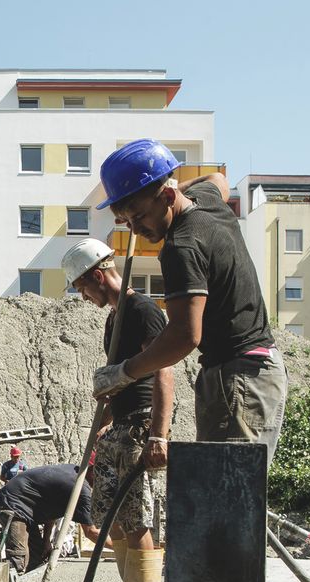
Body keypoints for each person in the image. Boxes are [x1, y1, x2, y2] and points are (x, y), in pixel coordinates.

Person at [91, 139, 287, 468]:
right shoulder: (207, 202)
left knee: (226, 499)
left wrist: (124, 372)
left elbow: (184, 336)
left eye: (139, 216)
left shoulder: (181, 247)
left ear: (167, 197)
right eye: (127, 221)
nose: (136, 228)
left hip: (238, 377)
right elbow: (217, 179)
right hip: (246, 372)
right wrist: (161, 191)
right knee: (225, 499)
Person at [64, 238, 173, 582]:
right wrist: (108, 414)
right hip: (121, 425)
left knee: (137, 514)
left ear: (97, 275)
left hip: (141, 425)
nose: (82, 297)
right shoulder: (115, 318)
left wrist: (159, 434)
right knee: (115, 516)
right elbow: (124, 376)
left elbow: (164, 369)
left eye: (82, 288)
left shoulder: (142, 309)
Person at [0, 463, 100, 576]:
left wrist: (46, 540)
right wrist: (118, 547)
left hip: (27, 508)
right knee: (18, 560)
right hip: (13, 504)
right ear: (94, 473)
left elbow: (52, 511)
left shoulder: (74, 474)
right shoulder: (80, 487)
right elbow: (91, 532)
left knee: (38, 557)